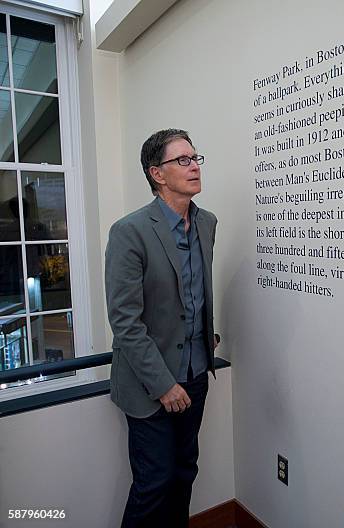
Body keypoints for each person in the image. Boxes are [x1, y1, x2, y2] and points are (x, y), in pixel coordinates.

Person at [105, 128, 217, 528]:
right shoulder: (129, 232)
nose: (194, 166)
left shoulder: (207, 224)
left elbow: (193, 294)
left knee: (185, 473)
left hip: (196, 373)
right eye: (183, 160)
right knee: (153, 485)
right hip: (150, 384)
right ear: (157, 173)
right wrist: (163, 384)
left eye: (196, 157)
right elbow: (125, 322)